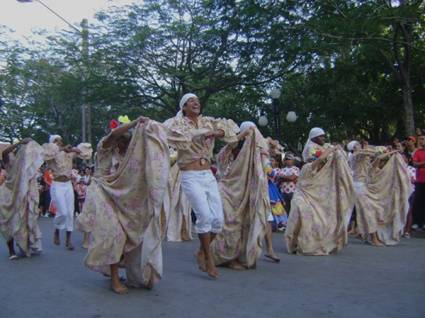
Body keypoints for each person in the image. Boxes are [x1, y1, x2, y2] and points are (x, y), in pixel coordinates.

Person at [77, 116, 170, 294]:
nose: (121, 145)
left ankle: (134, 273)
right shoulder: (104, 148)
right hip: (102, 193)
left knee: (133, 236)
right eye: (120, 140)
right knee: (115, 234)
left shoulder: (132, 155)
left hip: (123, 197)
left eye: (125, 142)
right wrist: (135, 122)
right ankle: (114, 279)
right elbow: (112, 135)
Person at [163, 93, 239, 279]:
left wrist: (213, 132)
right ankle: (209, 260)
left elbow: (229, 131)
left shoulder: (208, 121)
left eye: (197, 100)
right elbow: (170, 135)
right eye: (190, 101)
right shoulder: (177, 123)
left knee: (218, 221)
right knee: (204, 216)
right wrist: (199, 133)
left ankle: (201, 251)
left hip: (208, 175)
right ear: (183, 107)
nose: (195, 102)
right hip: (190, 175)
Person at [211, 122, 276, 270]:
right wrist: (241, 136)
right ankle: (224, 257)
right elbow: (221, 158)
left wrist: (269, 145)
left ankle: (237, 255)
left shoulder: (257, 152)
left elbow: (267, 165)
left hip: (246, 192)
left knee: (244, 224)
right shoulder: (231, 148)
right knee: (229, 223)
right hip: (228, 190)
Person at [285, 128, 355, 255]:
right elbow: (318, 160)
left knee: (321, 219)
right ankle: (298, 243)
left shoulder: (322, 160)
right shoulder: (308, 165)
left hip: (317, 193)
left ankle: (318, 243)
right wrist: (331, 150)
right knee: (302, 216)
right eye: (321, 136)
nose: (324, 138)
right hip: (304, 195)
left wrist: (334, 150)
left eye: (324, 136)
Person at [43, 135, 92, 251]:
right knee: (63, 212)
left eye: (60, 140)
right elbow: (46, 154)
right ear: (52, 144)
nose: (58, 142)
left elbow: (85, 153)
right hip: (57, 185)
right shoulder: (51, 154)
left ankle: (68, 239)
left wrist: (74, 150)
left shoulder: (68, 152)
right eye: (55, 141)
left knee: (70, 213)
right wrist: (61, 149)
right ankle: (57, 229)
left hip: (68, 185)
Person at [0, 138, 44, 259]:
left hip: (19, 192)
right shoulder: (6, 156)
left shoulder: (20, 158)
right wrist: (19, 143)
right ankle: (11, 251)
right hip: (7, 192)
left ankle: (25, 245)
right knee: (7, 222)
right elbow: (4, 153)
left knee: (21, 219)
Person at [412, 130, 425, 230]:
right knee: (418, 201)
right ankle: (418, 222)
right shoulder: (417, 152)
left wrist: (421, 164)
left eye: (423, 139)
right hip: (420, 180)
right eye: (420, 139)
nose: (421, 141)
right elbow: (415, 164)